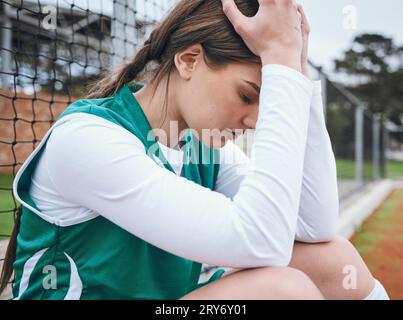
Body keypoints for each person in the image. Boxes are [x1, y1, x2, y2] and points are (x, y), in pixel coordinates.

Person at [0, 0, 389, 300]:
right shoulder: (87, 140)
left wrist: (295, 72)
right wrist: (280, 61)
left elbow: (313, 226)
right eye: (248, 95)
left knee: (332, 259)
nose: (255, 121)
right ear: (188, 60)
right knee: (283, 290)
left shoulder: (200, 149)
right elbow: (260, 239)